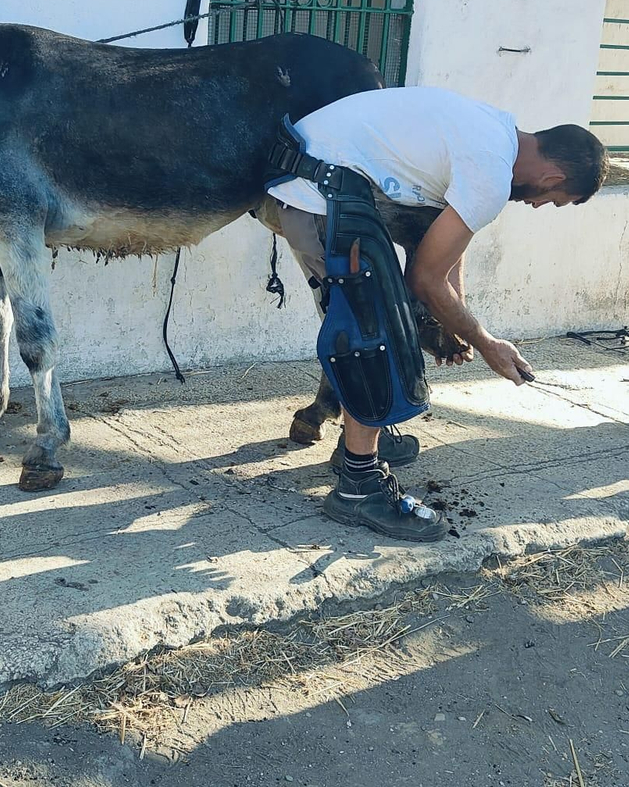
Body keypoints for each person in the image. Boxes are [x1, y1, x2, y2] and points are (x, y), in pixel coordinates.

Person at [261, 85, 609, 541]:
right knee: (375, 328)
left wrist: (450, 323)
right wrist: (486, 343)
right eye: (553, 199)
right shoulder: (490, 171)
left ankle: (357, 435)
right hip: (315, 193)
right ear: (551, 177)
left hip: (314, 177)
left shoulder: (495, 131)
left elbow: (446, 242)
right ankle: (357, 485)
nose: (538, 204)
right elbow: (425, 279)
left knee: (386, 313)